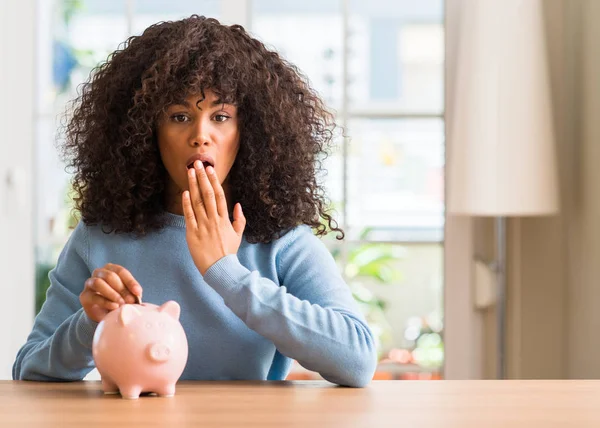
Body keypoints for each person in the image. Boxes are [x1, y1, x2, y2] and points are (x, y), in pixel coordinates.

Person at [13, 15, 377, 387]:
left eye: (220, 116)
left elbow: (357, 360)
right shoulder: (100, 235)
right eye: (179, 116)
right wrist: (89, 322)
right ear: (144, 131)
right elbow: (30, 368)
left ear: (247, 132)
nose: (200, 135)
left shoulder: (280, 239)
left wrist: (227, 273)